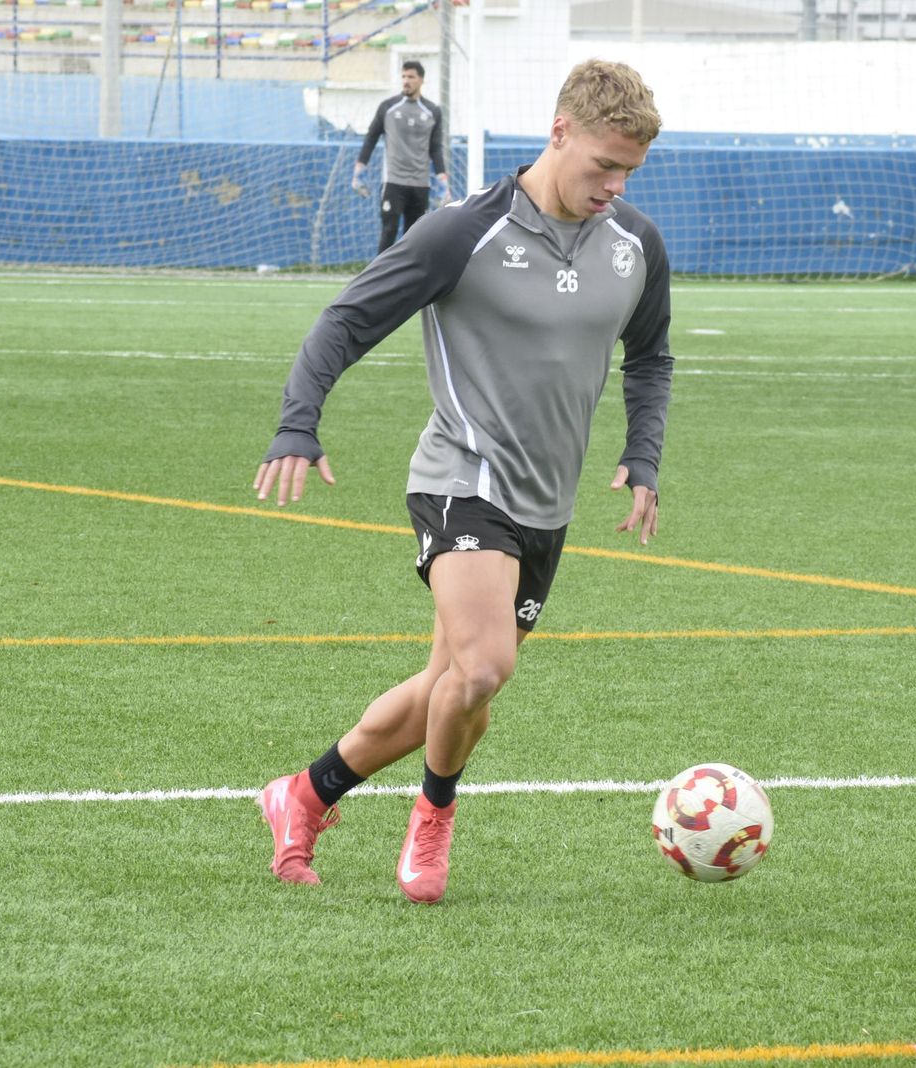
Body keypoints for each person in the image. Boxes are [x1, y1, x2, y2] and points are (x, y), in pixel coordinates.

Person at [252, 59, 671, 905]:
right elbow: (346, 319)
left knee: (445, 690)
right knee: (481, 671)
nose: (613, 185)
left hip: (546, 503)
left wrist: (644, 455)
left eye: (629, 170)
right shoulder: (462, 232)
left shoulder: (635, 244)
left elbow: (651, 357)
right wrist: (300, 420)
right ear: (559, 133)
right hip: (460, 478)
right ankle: (435, 815)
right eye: (602, 165)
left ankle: (303, 794)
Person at [352, 60, 450, 254]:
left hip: (420, 184)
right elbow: (371, 138)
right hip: (393, 182)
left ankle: (408, 281)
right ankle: (379, 279)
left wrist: (443, 182)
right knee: (389, 230)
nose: (406, 81)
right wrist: (359, 170)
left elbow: (435, 148)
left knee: (413, 237)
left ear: (421, 80)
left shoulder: (433, 111)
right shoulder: (388, 107)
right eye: (403, 76)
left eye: (411, 77)